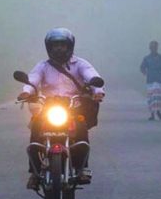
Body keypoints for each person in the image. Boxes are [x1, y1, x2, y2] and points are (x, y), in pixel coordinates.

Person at [18, 28, 106, 189]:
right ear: (49, 47)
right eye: (55, 45)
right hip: (48, 107)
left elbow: (92, 76)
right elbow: (33, 79)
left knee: (80, 128)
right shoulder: (43, 66)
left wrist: (98, 92)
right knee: (36, 126)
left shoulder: (80, 64)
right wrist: (26, 92)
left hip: (73, 107)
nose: (59, 48)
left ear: (69, 46)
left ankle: (82, 169)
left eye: (62, 45)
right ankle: (34, 172)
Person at [140, 40, 161, 120]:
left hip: (159, 80)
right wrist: (144, 72)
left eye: (155, 47)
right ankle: (152, 113)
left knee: (159, 97)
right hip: (150, 80)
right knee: (151, 98)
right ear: (150, 48)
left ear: (157, 48)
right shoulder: (147, 58)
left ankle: (159, 111)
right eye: (152, 47)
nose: (154, 49)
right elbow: (142, 67)